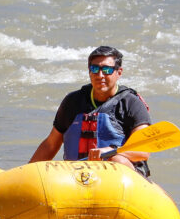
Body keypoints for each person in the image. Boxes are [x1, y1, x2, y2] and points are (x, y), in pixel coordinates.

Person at [29, 45, 153, 176]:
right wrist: (27, 174)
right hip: (78, 175)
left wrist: (110, 152)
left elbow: (143, 150)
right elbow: (50, 144)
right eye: (94, 69)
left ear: (119, 72)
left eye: (106, 70)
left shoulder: (131, 103)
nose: (100, 75)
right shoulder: (73, 101)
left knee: (117, 160)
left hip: (119, 177)